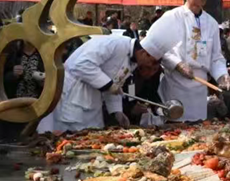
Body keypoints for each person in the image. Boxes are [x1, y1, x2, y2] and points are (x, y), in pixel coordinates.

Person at [37, 32, 172, 133]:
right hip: (75, 93)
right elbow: (81, 64)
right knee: (70, 134)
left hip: (93, 100)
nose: (150, 65)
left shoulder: (133, 62)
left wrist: (117, 111)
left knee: (93, 133)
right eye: (153, 61)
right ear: (144, 53)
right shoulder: (114, 43)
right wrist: (108, 85)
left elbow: (115, 85)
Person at [156, 0, 230, 122]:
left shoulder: (211, 22)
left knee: (198, 129)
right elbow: (158, 48)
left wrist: (222, 75)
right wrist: (178, 64)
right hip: (177, 82)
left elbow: (216, 56)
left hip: (200, 86)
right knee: (176, 128)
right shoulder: (172, 17)